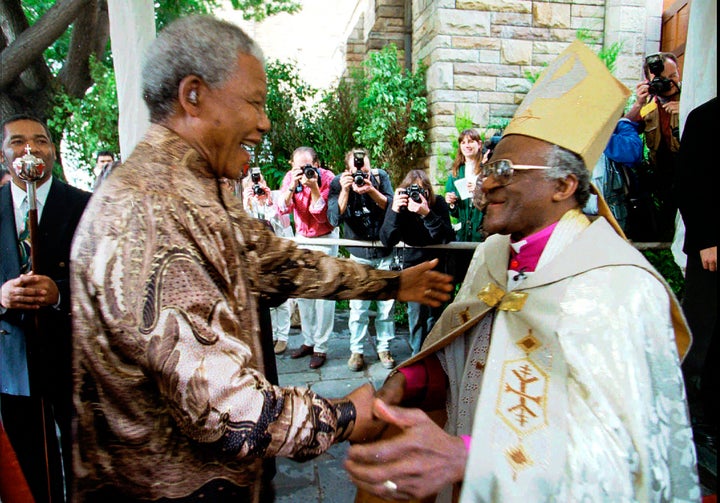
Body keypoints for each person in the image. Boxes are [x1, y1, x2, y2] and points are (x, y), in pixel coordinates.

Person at [69, 15, 453, 503]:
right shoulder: (151, 212)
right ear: (194, 96)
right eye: (253, 102)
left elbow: (277, 261)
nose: (264, 122)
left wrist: (390, 285)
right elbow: (227, 410)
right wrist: (347, 416)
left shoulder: (199, 189)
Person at [345, 40, 698, 503]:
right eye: (489, 165)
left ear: (564, 185)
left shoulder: (619, 286)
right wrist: (411, 379)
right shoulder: (494, 254)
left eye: (506, 169)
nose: (486, 181)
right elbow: (472, 353)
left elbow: (625, 461)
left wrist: (471, 457)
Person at [1, 114, 92, 502]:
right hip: (13, 358)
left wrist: (59, 293)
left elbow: (108, 277)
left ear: (52, 151)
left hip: (74, 355)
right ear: (3, 155)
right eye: (18, 142)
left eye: (40, 141)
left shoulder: (86, 205)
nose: (30, 149)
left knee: (85, 457)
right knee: (30, 463)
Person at [328, 148, 396, 371]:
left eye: (364, 170)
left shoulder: (379, 177)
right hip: (359, 254)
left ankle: (384, 347)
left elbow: (393, 208)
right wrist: (347, 190)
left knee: (386, 306)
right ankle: (356, 351)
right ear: (347, 170)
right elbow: (334, 219)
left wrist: (371, 190)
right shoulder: (339, 183)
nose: (361, 174)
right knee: (358, 307)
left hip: (385, 251)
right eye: (357, 170)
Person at [675, 96, 717, 451]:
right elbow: (690, 184)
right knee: (702, 335)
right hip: (712, 251)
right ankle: (690, 418)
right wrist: (706, 240)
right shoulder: (705, 117)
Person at [380, 169, 456, 355]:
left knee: (435, 315)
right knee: (416, 316)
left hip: (437, 266)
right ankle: (417, 355)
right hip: (414, 269)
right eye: (412, 191)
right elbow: (386, 240)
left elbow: (446, 237)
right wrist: (395, 210)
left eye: (422, 191)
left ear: (428, 192)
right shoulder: (400, 207)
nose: (417, 196)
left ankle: (433, 353)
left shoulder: (437, 203)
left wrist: (426, 213)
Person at [279, 146, 338, 369]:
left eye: (307, 167)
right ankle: (308, 340)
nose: (302, 170)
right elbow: (282, 208)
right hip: (302, 236)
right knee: (304, 292)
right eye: (297, 167)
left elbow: (322, 216)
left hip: (325, 237)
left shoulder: (329, 179)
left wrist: (313, 187)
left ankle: (321, 347)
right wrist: (291, 187)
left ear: (317, 165)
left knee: (324, 294)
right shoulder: (290, 178)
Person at [624, 51, 682, 240]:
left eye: (673, 76)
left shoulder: (693, 97)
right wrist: (638, 103)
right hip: (661, 172)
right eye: (661, 78)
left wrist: (687, 109)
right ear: (649, 80)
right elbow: (625, 128)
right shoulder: (649, 104)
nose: (668, 83)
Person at [241, 168, 297, 354]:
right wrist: (246, 204)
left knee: (282, 299)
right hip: (258, 258)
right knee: (267, 298)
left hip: (279, 253)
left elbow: (282, 226)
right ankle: (271, 334)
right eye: (252, 184)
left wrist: (268, 203)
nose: (258, 186)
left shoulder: (276, 197)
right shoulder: (245, 204)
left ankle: (283, 336)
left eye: (260, 181)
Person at [583, 117, 643, 231]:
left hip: (612, 211)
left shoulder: (616, 129)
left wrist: (623, 122)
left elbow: (632, 152)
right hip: (580, 214)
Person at [444, 129, 486, 288]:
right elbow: (454, 212)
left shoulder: (486, 169)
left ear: (479, 144)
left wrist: (478, 189)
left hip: (481, 232)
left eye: (471, 141)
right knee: (461, 279)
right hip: (463, 234)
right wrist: (451, 202)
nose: (467, 145)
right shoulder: (456, 172)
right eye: (463, 142)